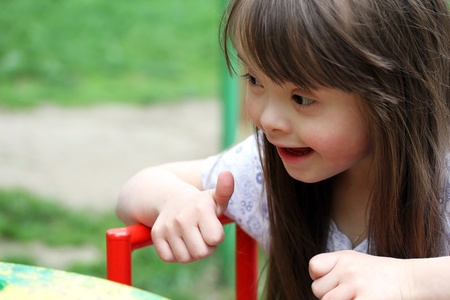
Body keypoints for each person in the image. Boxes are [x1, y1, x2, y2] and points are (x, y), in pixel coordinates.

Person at [116, 0, 450, 298]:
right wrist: (174, 200)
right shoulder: (264, 169)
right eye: (255, 80)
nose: (269, 119)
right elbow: (139, 188)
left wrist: (409, 281)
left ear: (395, 97)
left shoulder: (443, 179)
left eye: (302, 98)